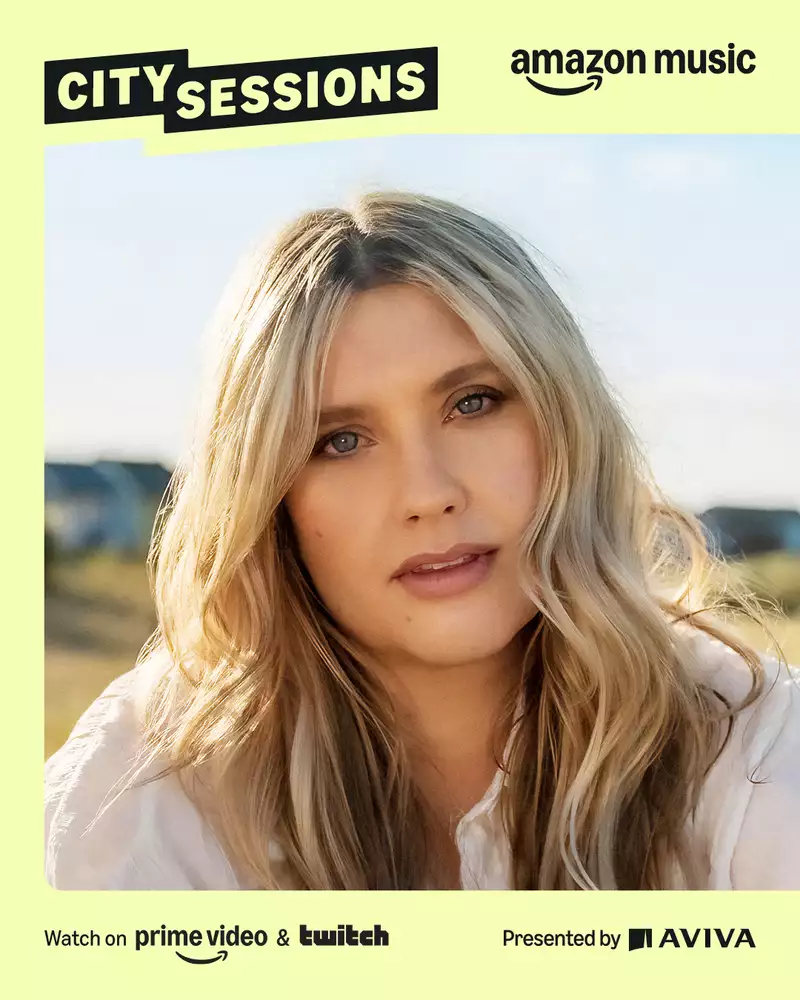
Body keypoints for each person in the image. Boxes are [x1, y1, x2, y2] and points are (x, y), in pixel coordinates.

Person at [45, 190, 800, 891]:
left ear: (565, 422)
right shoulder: (132, 808)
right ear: (270, 496)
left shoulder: (758, 761)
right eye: (341, 441)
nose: (428, 493)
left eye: (473, 403)